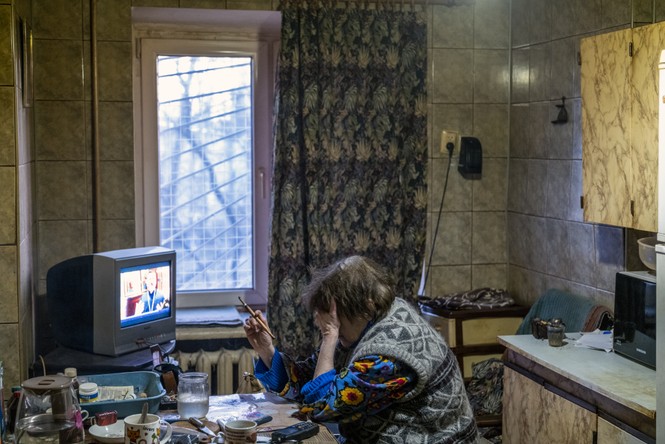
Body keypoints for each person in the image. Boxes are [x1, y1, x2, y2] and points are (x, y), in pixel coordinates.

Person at [244, 255, 479, 443]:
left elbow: (322, 407)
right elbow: (310, 380)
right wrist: (267, 350)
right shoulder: (368, 322)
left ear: (363, 307)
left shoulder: (387, 355)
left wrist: (329, 336)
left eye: (336, 319)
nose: (329, 326)